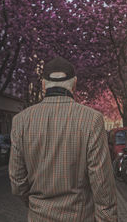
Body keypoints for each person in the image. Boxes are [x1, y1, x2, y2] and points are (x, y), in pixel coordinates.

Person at [9, 56, 117, 222]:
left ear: (43, 84)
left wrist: (36, 203)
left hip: (38, 216)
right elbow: (101, 181)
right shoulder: (91, 119)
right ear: (74, 84)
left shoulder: (21, 121)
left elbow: (17, 181)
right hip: (80, 216)